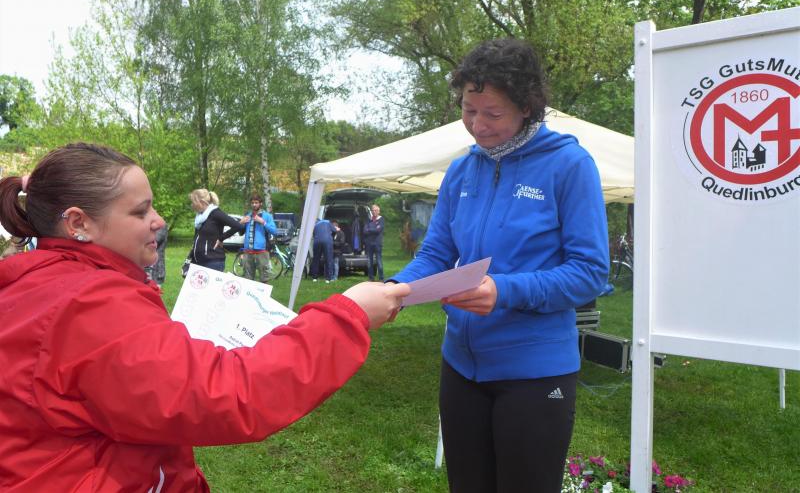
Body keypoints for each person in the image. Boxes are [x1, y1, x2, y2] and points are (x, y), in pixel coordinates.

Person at [0, 142, 410, 491]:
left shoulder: (39, 284)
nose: (159, 221)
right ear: (78, 222)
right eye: (140, 212)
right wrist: (348, 316)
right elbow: (229, 393)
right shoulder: (90, 305)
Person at [390, 39, 608, 493]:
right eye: (469, 110)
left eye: (492, 113)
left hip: (535, 371)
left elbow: (589, 272)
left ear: (527, 107)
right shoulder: (461, 171)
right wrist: (394, 289)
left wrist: (505, 290)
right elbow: (435, 254)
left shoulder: (569, 165)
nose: (478, 125)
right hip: (460, 367)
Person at [189, 188, 242, 272]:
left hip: (213, 261)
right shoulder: (199, 217)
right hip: (198, 261)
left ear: (201, 202)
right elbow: (197, 239)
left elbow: (238, 226)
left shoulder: (216, 213)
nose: (192, 205)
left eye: (193, 202)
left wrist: (221, 238)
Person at [240, 194, 277, 283]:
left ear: (261, 203)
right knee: (247, 279)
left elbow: (274, 231)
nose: (254, 205)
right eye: (252, 203)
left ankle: (264, 292)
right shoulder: (248, 215)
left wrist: (263, 222)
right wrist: (240, 223)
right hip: (248, 251)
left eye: (256, 203)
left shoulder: (267, 216)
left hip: (262, 251)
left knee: (264, 278)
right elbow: (241, 232)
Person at [363, 204, 385, 281]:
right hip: (369, 244)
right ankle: (371, 278)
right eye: (373, 210)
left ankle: (381, 278)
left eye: (376, 210)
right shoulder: (368, 220)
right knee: (370, 261)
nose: (374, 212)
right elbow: (364, 231)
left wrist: (369, 229)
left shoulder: (381, 219)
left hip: (377, 243)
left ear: (379, 211)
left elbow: (378, 230)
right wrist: (373, 229)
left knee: (379, 261)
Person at [311, 217, 335, 283]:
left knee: (316, 260)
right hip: (327, 241)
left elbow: (314, 234)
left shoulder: (315, 225)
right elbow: (334, 230)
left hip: (317, 242)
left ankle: (314, 278)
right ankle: (328, 278)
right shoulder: (328, 222)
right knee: (328, 259)